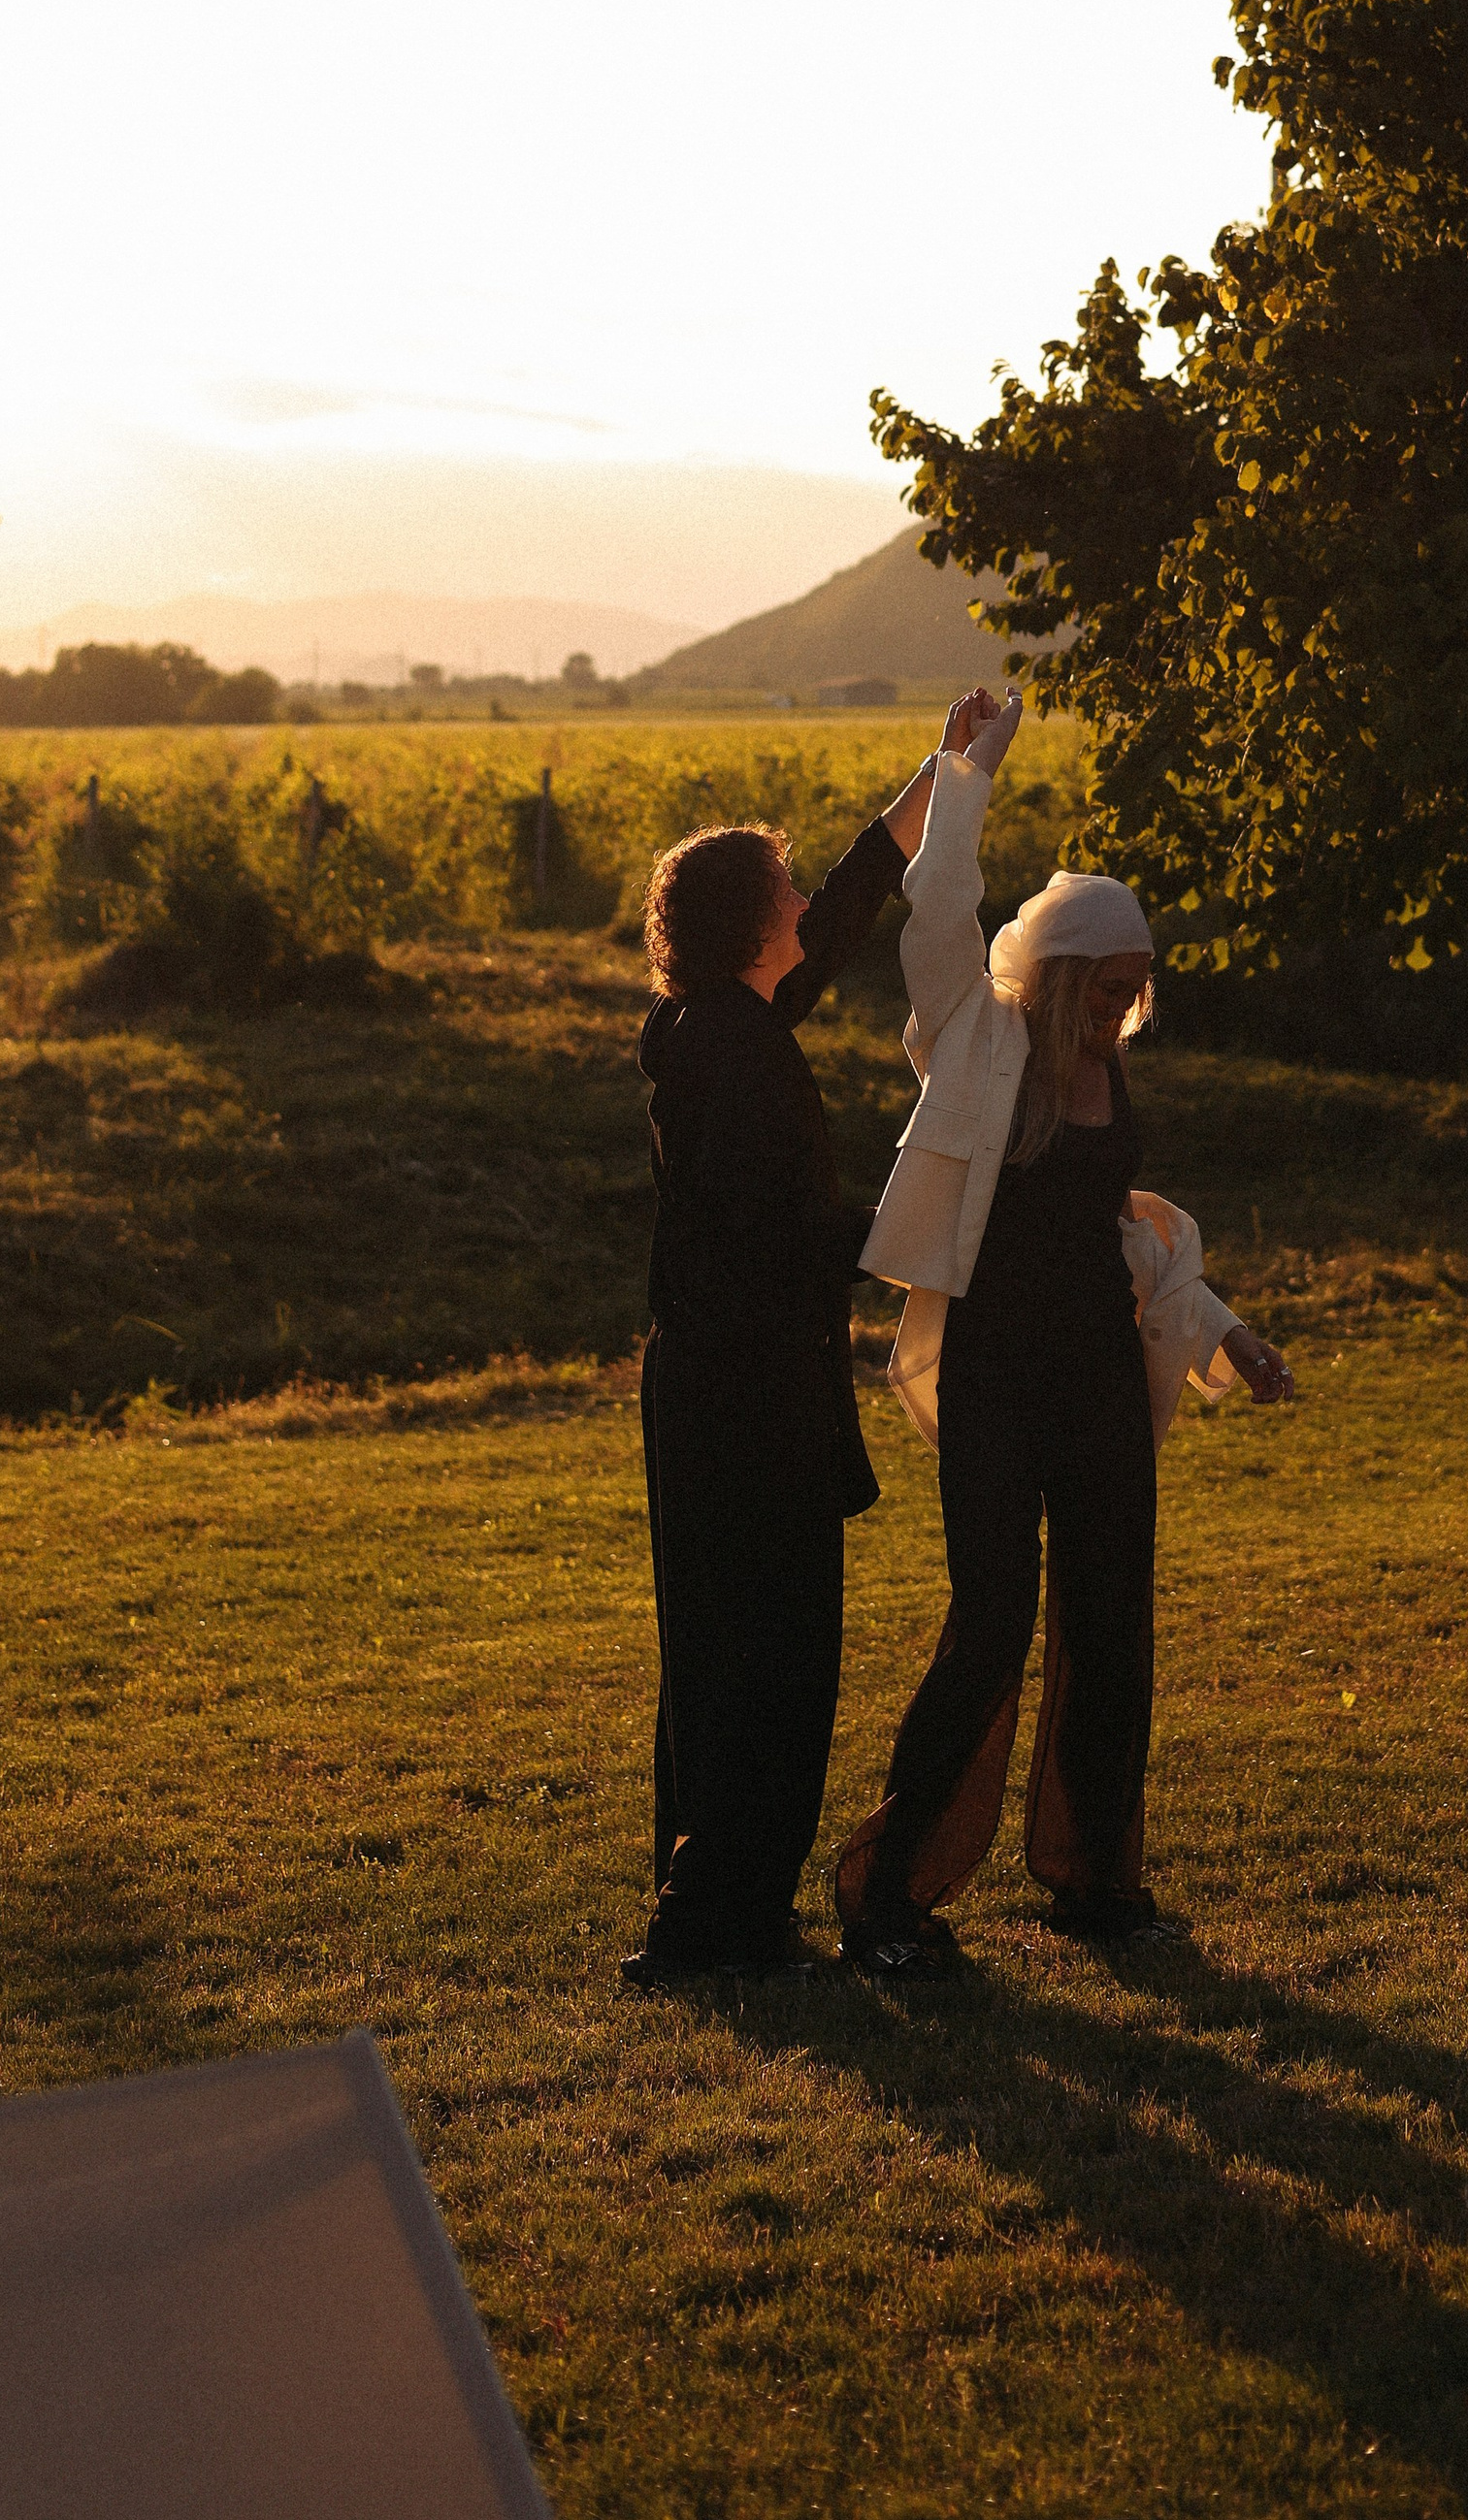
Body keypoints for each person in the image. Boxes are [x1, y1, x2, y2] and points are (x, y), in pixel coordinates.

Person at [834, 686, 1294, 1974]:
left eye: (1139, 989)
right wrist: (965, 770)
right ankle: (889, 1897)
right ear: (1063, 974)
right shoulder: (974, 1044)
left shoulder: (1115, 1068)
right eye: (1110, 985)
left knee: (1111, 1618)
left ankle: (1097, 1882)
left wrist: (1228, 1333)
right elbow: (938, 915)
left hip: (1097, 1376)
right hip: (991, 1372)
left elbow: (1129, 1243)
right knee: (990, 1615)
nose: (1126, 1007)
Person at [621, 708, 974, 1987]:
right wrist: (929, 1223)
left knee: (722, 1649)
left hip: (714, 1381)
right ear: (740, 924)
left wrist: (942, 778)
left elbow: (841, 910)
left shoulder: (717, 1022)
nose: (795, 898)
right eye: (776, 887)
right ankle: (709, 1921)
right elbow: (774, 1226)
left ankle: (718, 1905)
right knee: (767, 1656)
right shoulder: (736, 1052)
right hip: (746, 1391)